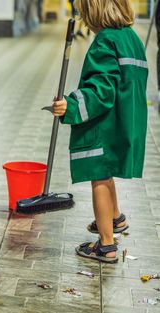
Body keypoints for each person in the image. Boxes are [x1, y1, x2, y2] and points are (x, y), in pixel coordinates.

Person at [52, 0, 148, 263]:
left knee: (99, 177)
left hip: (108, 125)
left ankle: (106, 245)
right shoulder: (131, 38)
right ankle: (115, 218)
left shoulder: (106, 40)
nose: (84, 19)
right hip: (128, 122)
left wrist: (70, 106)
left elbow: (102, 91)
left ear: (94, 12)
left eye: (85, 13)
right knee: (106, 173)